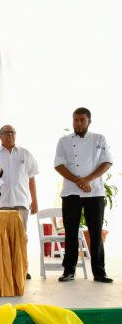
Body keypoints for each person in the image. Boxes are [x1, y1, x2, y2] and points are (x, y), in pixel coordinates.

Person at [54, 107, 113, 283]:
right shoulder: (64, 141)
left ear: (89, 121)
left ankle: (99, 272)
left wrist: (87, 180)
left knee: (96, 233)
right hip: (71, 192)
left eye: (82, 120)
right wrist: (78, 181)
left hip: (94, 192)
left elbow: (107, 162)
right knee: (70, 233)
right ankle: (69, 271)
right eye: (76, 120)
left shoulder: (99, 138)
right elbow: (58, 165)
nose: (78, 123)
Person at [0, 125, 39, 279]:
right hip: (1, 202)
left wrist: (35, 200)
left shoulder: (25, 153)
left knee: (21, 237)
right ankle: (5, 270)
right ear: (0, 136)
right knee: (3, 238)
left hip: (21, 202)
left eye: (12, 132)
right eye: (6, 133)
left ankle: (22, 268)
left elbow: (31, 178)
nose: (9, 135)